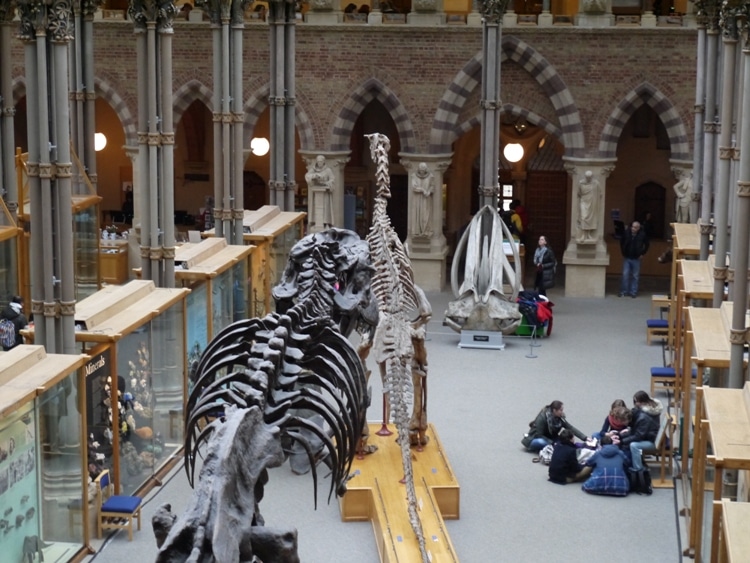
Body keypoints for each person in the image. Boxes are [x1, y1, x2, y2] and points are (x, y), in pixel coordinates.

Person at [619, 390, 663, 476]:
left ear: (642, 401)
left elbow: (638, 435)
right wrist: (621, 436)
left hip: (652, 440)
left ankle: (638, 468)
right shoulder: (648, 409)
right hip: (649, 435)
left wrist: (622, 440)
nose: (635, 404)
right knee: (629, 438)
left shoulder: (644, 416)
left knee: (634, 445)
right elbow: (637, 430)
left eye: (636, 401)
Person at [521, 400, 589, 453]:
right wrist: (552, 443)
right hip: (536, 438)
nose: (562, 412)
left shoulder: (559, 418)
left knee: (566, 442)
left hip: (550, 437)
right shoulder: (542, 418)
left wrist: (585, 438)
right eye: (561, 410)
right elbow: (539, 435)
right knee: (542, 442)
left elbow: (570, 427)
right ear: (554, 410)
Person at [619, 221, 649, 298]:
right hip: (627, 256)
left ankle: (633, 292)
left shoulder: (642, 235)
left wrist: (642, 253)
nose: (633, 229)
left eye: (635, 227)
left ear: (638, 228)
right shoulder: (627, 233)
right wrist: (623, 251)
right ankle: (624, 291)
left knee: (635, 276)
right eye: (632, 227)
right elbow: (621, 242)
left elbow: (647, 244)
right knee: (625, 275)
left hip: (636, 258)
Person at [305, 155, 335, 229]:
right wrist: (314, 176)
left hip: (325, 194)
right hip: (316, 192)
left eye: (321, 161)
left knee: (326, 209)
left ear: (324, 162)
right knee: (316, 208)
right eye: (318, 162)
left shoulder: (328, 170)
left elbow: (332, 179)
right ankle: (316, 223)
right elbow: (307, 176)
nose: (319, 163)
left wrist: (326, 183)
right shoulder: (313, 169)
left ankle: (326, 223)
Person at [576, 170, 599, 243]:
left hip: (592, 202)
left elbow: (600, 193)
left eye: (590, 177)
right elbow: (578, 193)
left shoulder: (595, 183)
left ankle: (588, 234)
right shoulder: (581, 183)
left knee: (590, 218)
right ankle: (583, 235)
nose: (588, 179)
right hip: (584, 201)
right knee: (584, 217)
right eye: (587, 177)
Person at [412, 162, 434, 237]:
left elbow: (432, 186)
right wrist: (422, 190)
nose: (422, 172)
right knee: (418, 214)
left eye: (423, 170)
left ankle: (426, 231)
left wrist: (429, 191)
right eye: (420, 170)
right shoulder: (414, 176)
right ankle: (418, 231)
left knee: (426, 214)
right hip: (417, 199)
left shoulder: (430, 176)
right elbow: (414, 187)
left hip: (426, 199)